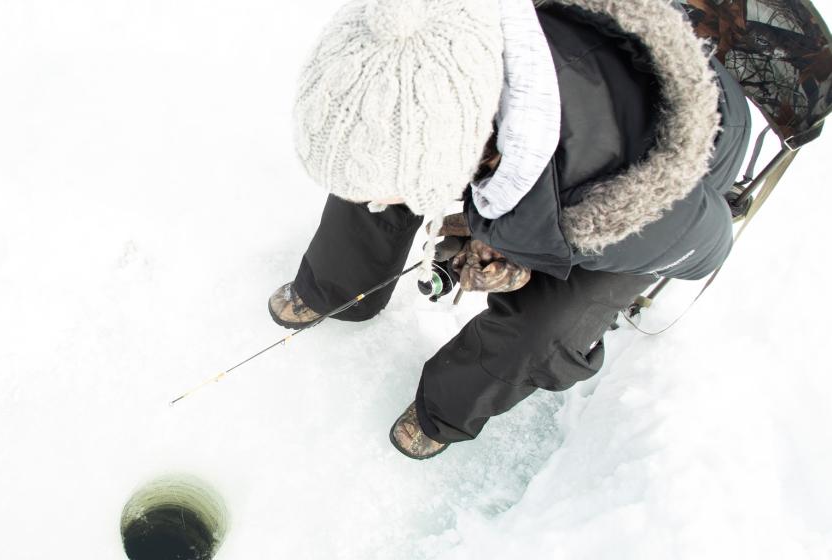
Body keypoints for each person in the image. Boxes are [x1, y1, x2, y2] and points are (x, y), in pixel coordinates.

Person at [268, 0, 752, 459]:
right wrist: (489, 222)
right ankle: (334, 288)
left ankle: (444, 411)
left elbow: (709, 244)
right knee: (374, 169)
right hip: (554, 103)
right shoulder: (449, 36)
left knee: (547, 329)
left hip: (653, 189)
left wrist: (527, 252)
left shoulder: (614, 207)